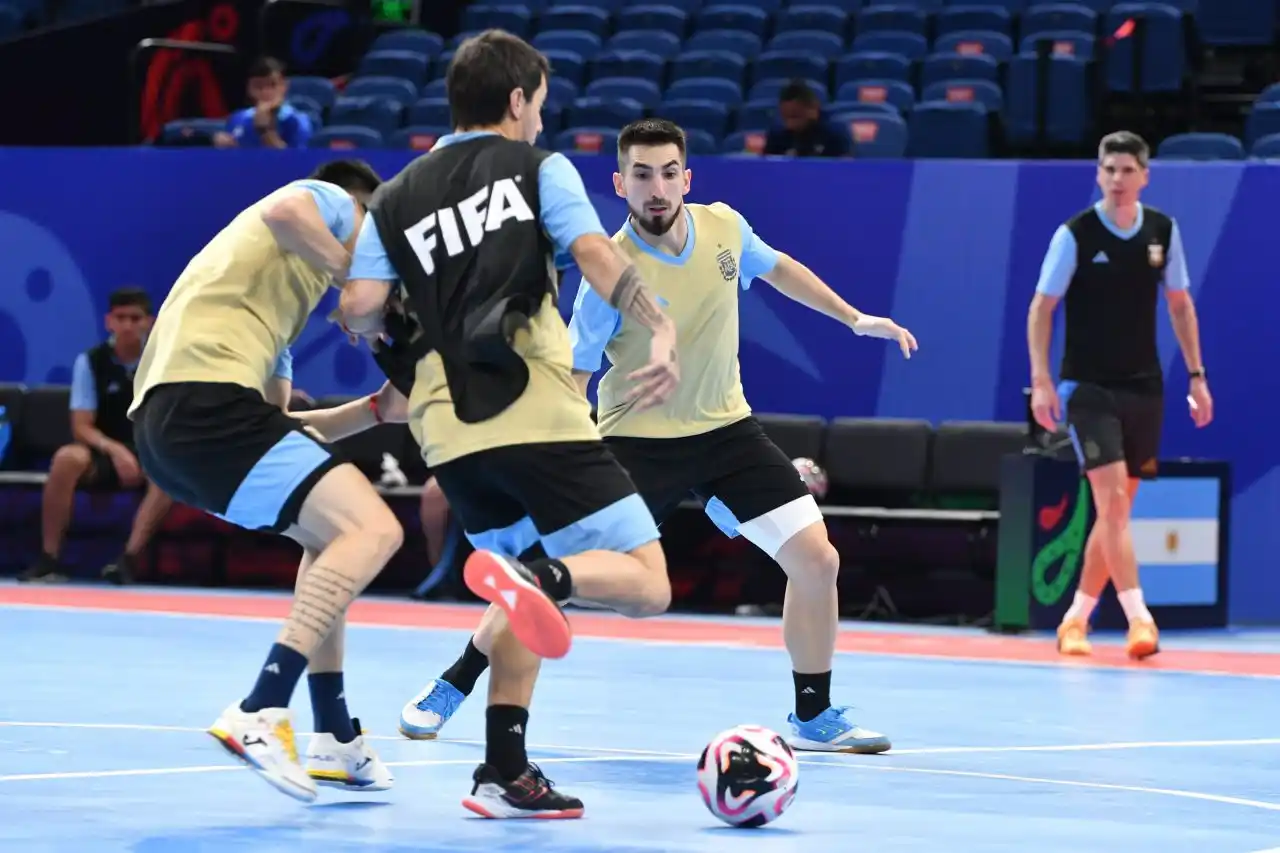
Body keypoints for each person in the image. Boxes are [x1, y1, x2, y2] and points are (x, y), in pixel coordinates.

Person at [399, 117, 917, 755]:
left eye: (669, 173)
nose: (657, 188)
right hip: (634, 444)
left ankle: (813, 714)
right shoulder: (607, 274)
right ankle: (453, 684)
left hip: (728, 431)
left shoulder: (725, 226)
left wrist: (856, 318)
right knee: (550, 576)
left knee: (817, 560)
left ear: (686, 178)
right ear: (620, 184)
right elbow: (575, 379)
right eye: (641, 175)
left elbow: (780, 270)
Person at [335, 29, 681, 819]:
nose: (539, 122)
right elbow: (593, 252)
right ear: (519, 100)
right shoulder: (536, 169)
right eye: (539, 108)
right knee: (646, 579)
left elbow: (356, 312)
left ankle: (503, 769)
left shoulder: (395, 195)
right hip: (531, 408)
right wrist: (656, 324)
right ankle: (545, 576)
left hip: (446, 432)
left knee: (525, 601)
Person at [129, 158, 401, 803]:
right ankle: (260, 707)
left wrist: (376, 411)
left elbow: (279, 433)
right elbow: (288, 212)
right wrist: (357, 280)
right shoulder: (330, 199)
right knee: (375, 528)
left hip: (175, 434)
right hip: (198, 407)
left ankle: (332, 732)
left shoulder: (268, 315)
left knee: (329, 536)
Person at [1028, 131, 1213, 660]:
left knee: (1117, 515)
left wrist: (1197, 376)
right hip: (1087, 388)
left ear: (1145, 175)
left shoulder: (1162, 231)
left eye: (1127, 170)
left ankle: (1074, 620)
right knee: (1111, 504)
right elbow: (1041, 309)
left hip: (1144, 387)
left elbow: (1180, 306)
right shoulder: (1076, 235)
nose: (1117, 179)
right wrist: (1042, 380)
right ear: (1098, 174)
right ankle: (1140, 620)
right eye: (1109, 169)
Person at [21, 286, 173, 585]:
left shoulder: (165, 363)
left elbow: (170, 419)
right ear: (109, 322)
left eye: (135, 317)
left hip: (149, 452)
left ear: (150, 323)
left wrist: (143, 455)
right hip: (104, 452)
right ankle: (49, 559)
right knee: (66, 458)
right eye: (121, 318)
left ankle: (128, 560)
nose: (128, 325)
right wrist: (117, 452)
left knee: (171, 474)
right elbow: (81, 426)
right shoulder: (90, 362)